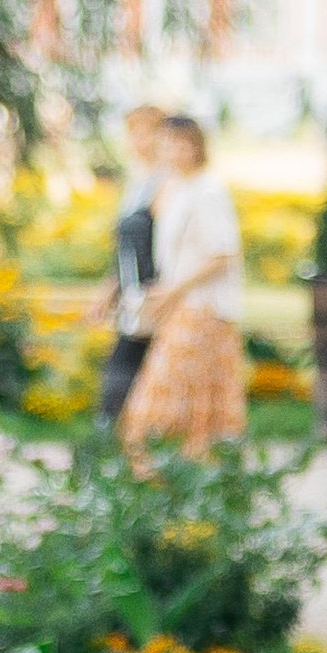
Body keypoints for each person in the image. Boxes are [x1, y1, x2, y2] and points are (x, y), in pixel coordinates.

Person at [117, 114, 247, 459]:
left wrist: (174, 290)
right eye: (167, 143)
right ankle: (180, 475)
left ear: (197, 146)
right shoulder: (176, 188)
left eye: (180, 143)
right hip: (180, 305)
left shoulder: (208, 190)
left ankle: (165, 471)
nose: (172, 151)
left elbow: (223, 254)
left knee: (169, 398)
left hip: (201, 306)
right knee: (188, 400)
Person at [89, 103, 168, 424]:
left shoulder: (167, 183)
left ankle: (108, 447)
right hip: (132, 296)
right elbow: (125, 249)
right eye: (132, 132)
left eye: (146, 131)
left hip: (155, 295)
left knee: (125, 375)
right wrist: (107, 292)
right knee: (123, 376)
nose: (138, 140)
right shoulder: (136, 181)